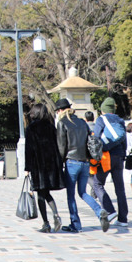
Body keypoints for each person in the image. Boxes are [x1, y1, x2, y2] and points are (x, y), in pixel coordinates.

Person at [55, 99, 109, 233]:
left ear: (60, 111)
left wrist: (59, 162)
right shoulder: (82, 123)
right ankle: (99, 210)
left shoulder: (62, 123)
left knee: (71, 195)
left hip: (71, 161)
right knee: (83, 192)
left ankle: (75, 224)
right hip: (85, 162)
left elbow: (62, 146)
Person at [24, 102, 65, 233]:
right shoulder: (51, 126)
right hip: (51, 164)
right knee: (46, 192)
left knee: (41, 195)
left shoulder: (31, 128)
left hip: (38, 165)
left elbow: (28, 149)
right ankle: (56, 215)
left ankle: (46, 224)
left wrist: (27, 167)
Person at [92, 98, 130, 228]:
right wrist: (123, 155)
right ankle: (123, 218)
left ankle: (109, 211)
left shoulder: (101, 119)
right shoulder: (120, 120)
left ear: (103, 109)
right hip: (119, 156)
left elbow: (95, 138)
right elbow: (124, 140)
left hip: (106, 157)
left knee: (97, 183)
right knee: (120, 189)